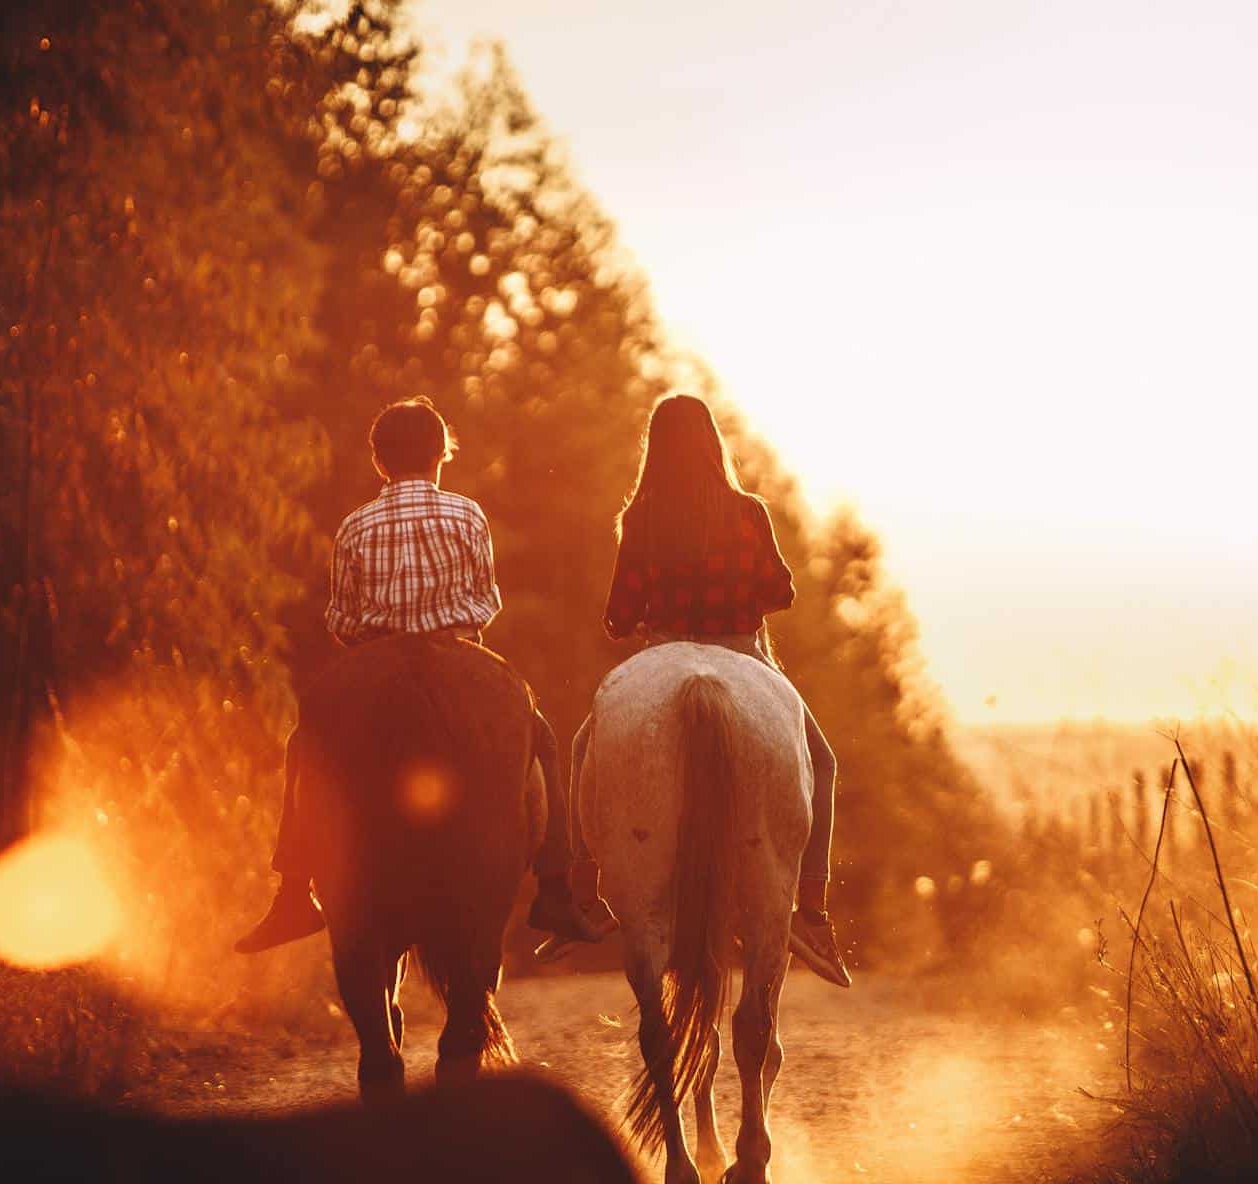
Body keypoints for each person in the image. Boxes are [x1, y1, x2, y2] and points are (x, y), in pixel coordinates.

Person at [234, 396, 616, 954]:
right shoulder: (466, 514)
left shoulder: (354, 526)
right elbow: (485, 602)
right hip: (455, 648)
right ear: (442, 454)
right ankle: (556, 888)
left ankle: (293, 892)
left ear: (378, 463)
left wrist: (373, 641)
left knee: (304, 743)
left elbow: (340, 616)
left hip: (375, 653)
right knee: (544, 739)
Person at [549, 393, 851, 987]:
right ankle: (812, 913)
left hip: (660, 648)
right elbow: (781, 591)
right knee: (824, 761)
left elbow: (618, 613)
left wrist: (646, 621)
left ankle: (581, 896)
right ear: (714, 443)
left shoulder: (641, 518)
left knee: (583, 749)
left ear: (654, 450)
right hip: (743, 650)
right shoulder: (748, 512)